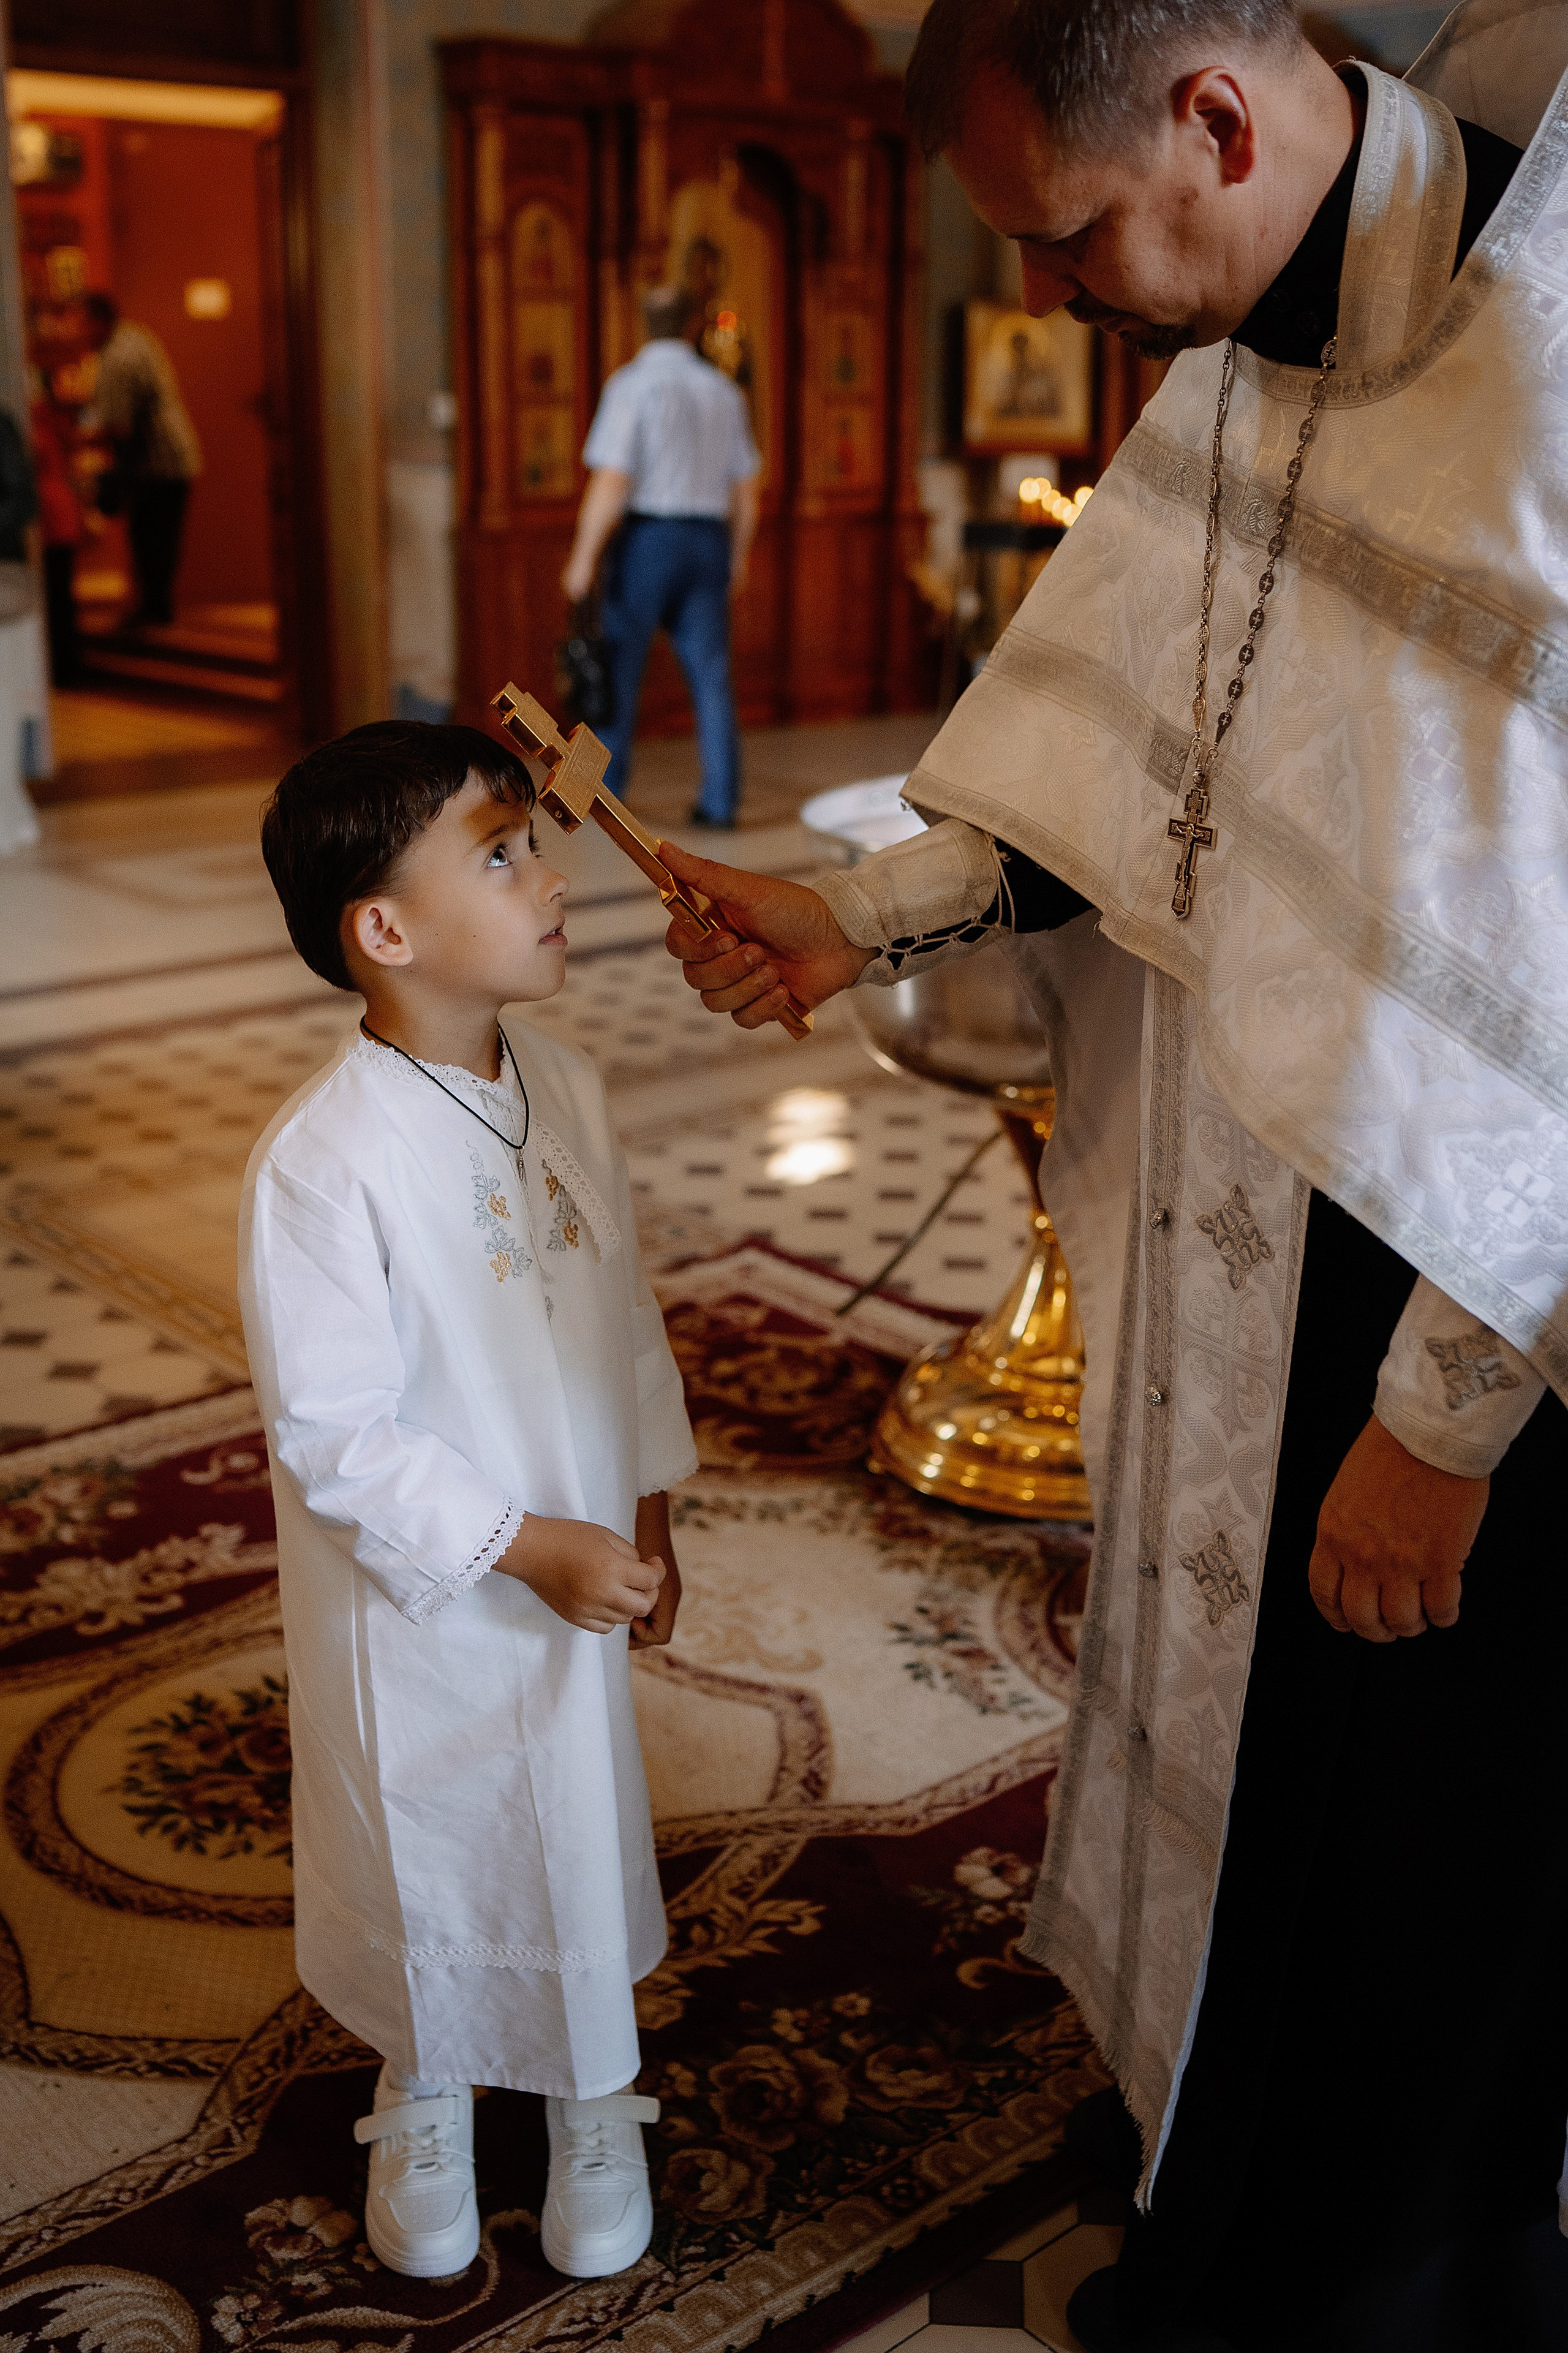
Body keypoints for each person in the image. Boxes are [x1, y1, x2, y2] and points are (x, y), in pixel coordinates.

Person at [655, 2, 1568, 2347]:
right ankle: (1218, 2133)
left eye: (1065, 238)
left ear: (1212, 115)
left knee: (1418, 1845)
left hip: (1460, 1295)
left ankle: (1376, 2279)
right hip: (1239, 1235)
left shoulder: (1544, 359)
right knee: (1248, 1759)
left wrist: (1445, 1419)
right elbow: (1121, 744)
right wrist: (848, 911)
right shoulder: (1254, 341)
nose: (1055, 298)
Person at [239, 722, 698, 2281]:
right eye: (499, 852)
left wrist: (642, 1507)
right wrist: (518, 1543)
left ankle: (588, 2079)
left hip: (578, 1549)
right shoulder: (325, 1161)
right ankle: (426, 2072)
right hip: (424, 1592)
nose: (549, 871)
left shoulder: (564, 1082)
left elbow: (624, 1314)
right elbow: (335, 1428)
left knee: (570, 1809)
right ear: (385, 930)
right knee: (430, 1828)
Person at [562, 282, 761, 827]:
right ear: (693, 323)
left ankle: (603, 798)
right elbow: (747, 492)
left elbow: (612, 481)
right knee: (712, 677)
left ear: (643, 323)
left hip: (648, 541)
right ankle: (720, 802)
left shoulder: (631, 385)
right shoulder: (725, 392)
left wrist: (582, 558)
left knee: (620, 669)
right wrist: (738, 556)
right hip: (708, 541)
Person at [81, 290, 202, 629]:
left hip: (158, 462)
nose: (80, 333)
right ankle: (154, 607)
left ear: (99, 321)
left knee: (152, 540)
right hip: (166, 458)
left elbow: (120, 426)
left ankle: (155, 611)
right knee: (155, 538)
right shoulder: (133, 338)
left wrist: (77, 441)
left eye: (84, 324)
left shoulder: (119, 355)